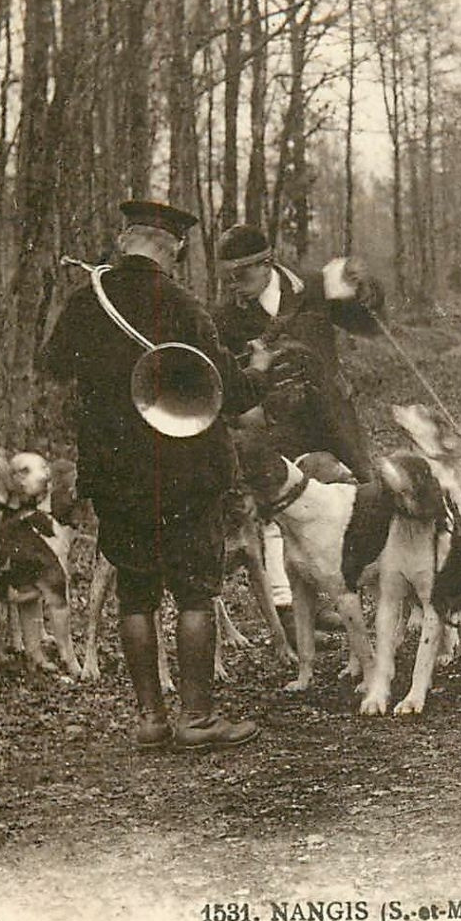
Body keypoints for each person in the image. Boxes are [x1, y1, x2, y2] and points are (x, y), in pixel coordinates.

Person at [40, 199, 274, 751]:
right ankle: (197, 720)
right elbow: (232, 396)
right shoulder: (183, 303)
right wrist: (259, 371)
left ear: (124, 242)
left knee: (136, 595)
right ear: (175, 249)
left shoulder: (85, 303)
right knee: (196, 593)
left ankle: (149, 720)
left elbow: (51, 366)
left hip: (116, 472)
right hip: (187, 473)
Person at [213, 225, 386, 637]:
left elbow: (368, 324)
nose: (236, 287)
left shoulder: (314, 287)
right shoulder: (223, 318)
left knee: (363, 489)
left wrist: (367, 288)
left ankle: (364, 590)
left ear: (266, 263)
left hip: (331, 413)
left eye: (243, 276)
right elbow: (229, 376)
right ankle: (293, 611)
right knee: (280, 512)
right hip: (275, 422)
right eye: (228, 279)